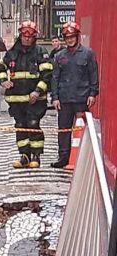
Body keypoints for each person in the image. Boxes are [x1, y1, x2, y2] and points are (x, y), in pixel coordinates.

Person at [0, 21, 53, 169]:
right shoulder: (13, 52)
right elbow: (0, 66)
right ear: (20, 36)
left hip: (35, 100)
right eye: (24, 36)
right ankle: (24, 156)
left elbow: (47, 75)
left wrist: (38, 91)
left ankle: (36, 156)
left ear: (34, 37)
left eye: (30, 36)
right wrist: (3, 81)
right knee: (21, 127)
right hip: (16, 99)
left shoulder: (40, 52)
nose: (26, 39)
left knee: (33, 125)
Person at [50, 22, 100, 169]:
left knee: (81, 129)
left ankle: (82, 158)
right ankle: (63, 157)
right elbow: (55, 78)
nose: (70, 40)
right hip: (64, 98)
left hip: (81, 98)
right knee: (64, 129)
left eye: (72, 37)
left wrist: (93, 93)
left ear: (77, 37)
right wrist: (55, 97)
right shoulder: (60, 56)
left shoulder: (88, 54)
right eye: (67, 37)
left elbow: (93, 75)